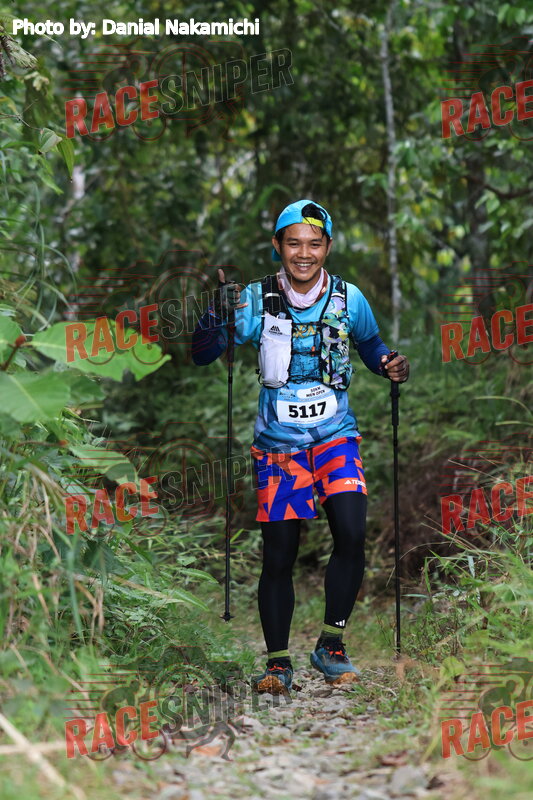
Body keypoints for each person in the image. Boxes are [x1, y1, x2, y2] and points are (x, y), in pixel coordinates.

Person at [192, 199, 409, 694]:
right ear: (278, 246)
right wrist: (214, 312)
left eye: (314, 244)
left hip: (336, 437)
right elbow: (203, 354)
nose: (304, 253)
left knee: (351, 532)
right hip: (278, 447)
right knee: (280, 553)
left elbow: (371, 346)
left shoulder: (349, 298)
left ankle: (331, 645)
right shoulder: (255, 298)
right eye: (294, 243)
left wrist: (390, 364)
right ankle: (277, 664)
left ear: (327, 247)